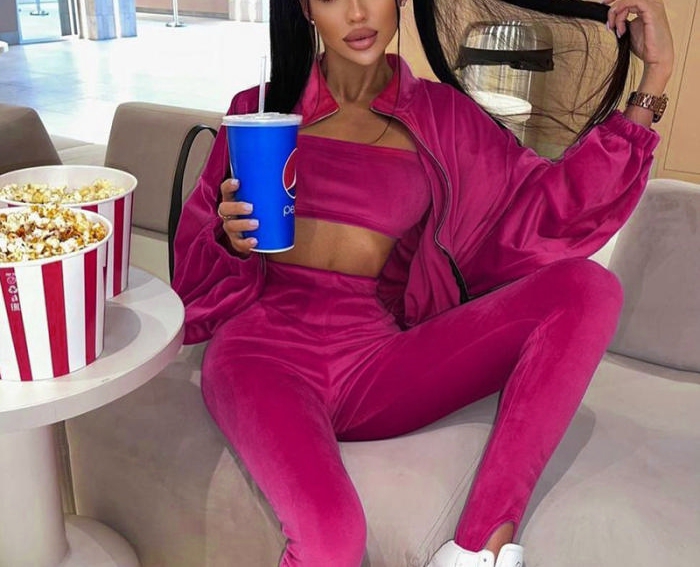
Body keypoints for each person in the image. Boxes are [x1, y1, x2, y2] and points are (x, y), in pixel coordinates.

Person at [172, 0, 674, 565]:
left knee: (587, 288)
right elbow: (195, 276)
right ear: (306, 8)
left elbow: (553, 210)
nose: (358, 13)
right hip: (264, 355)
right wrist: (230, 240)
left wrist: (653, 79)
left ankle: (480, 550)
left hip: (375, 360)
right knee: (332, 540)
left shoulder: (445, 119)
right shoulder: (257, 110)